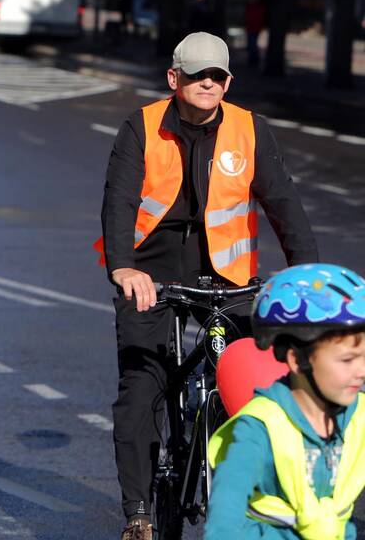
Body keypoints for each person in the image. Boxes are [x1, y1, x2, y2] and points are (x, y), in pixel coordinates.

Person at [99, 31, 319, 540]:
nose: (208, 83)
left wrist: (305, 274)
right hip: (151, 275)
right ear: (174, 78)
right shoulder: (142, 127)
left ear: (227, 81)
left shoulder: (249, 129)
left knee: (255, 384)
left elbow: (284, 204)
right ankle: (139, 513)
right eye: (197, 74)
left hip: (228, 278)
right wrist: (124, 268)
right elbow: (119, 205)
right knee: (142, 390)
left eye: (217, 75)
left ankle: (258, 499)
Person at [207, 264, 365, 539]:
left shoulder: (357, 415)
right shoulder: (259, 428)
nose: (361, 371)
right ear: (297, 360)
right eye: (347, 360)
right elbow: (224, 517)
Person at [244, 0, 266, 68]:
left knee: (253, 44)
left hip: (255, 28)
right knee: (251, 44)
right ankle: (252, 59)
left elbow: (260, 18)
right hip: (251, 27)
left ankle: (254, 59)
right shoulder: (251, 7)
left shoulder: (258, 7)